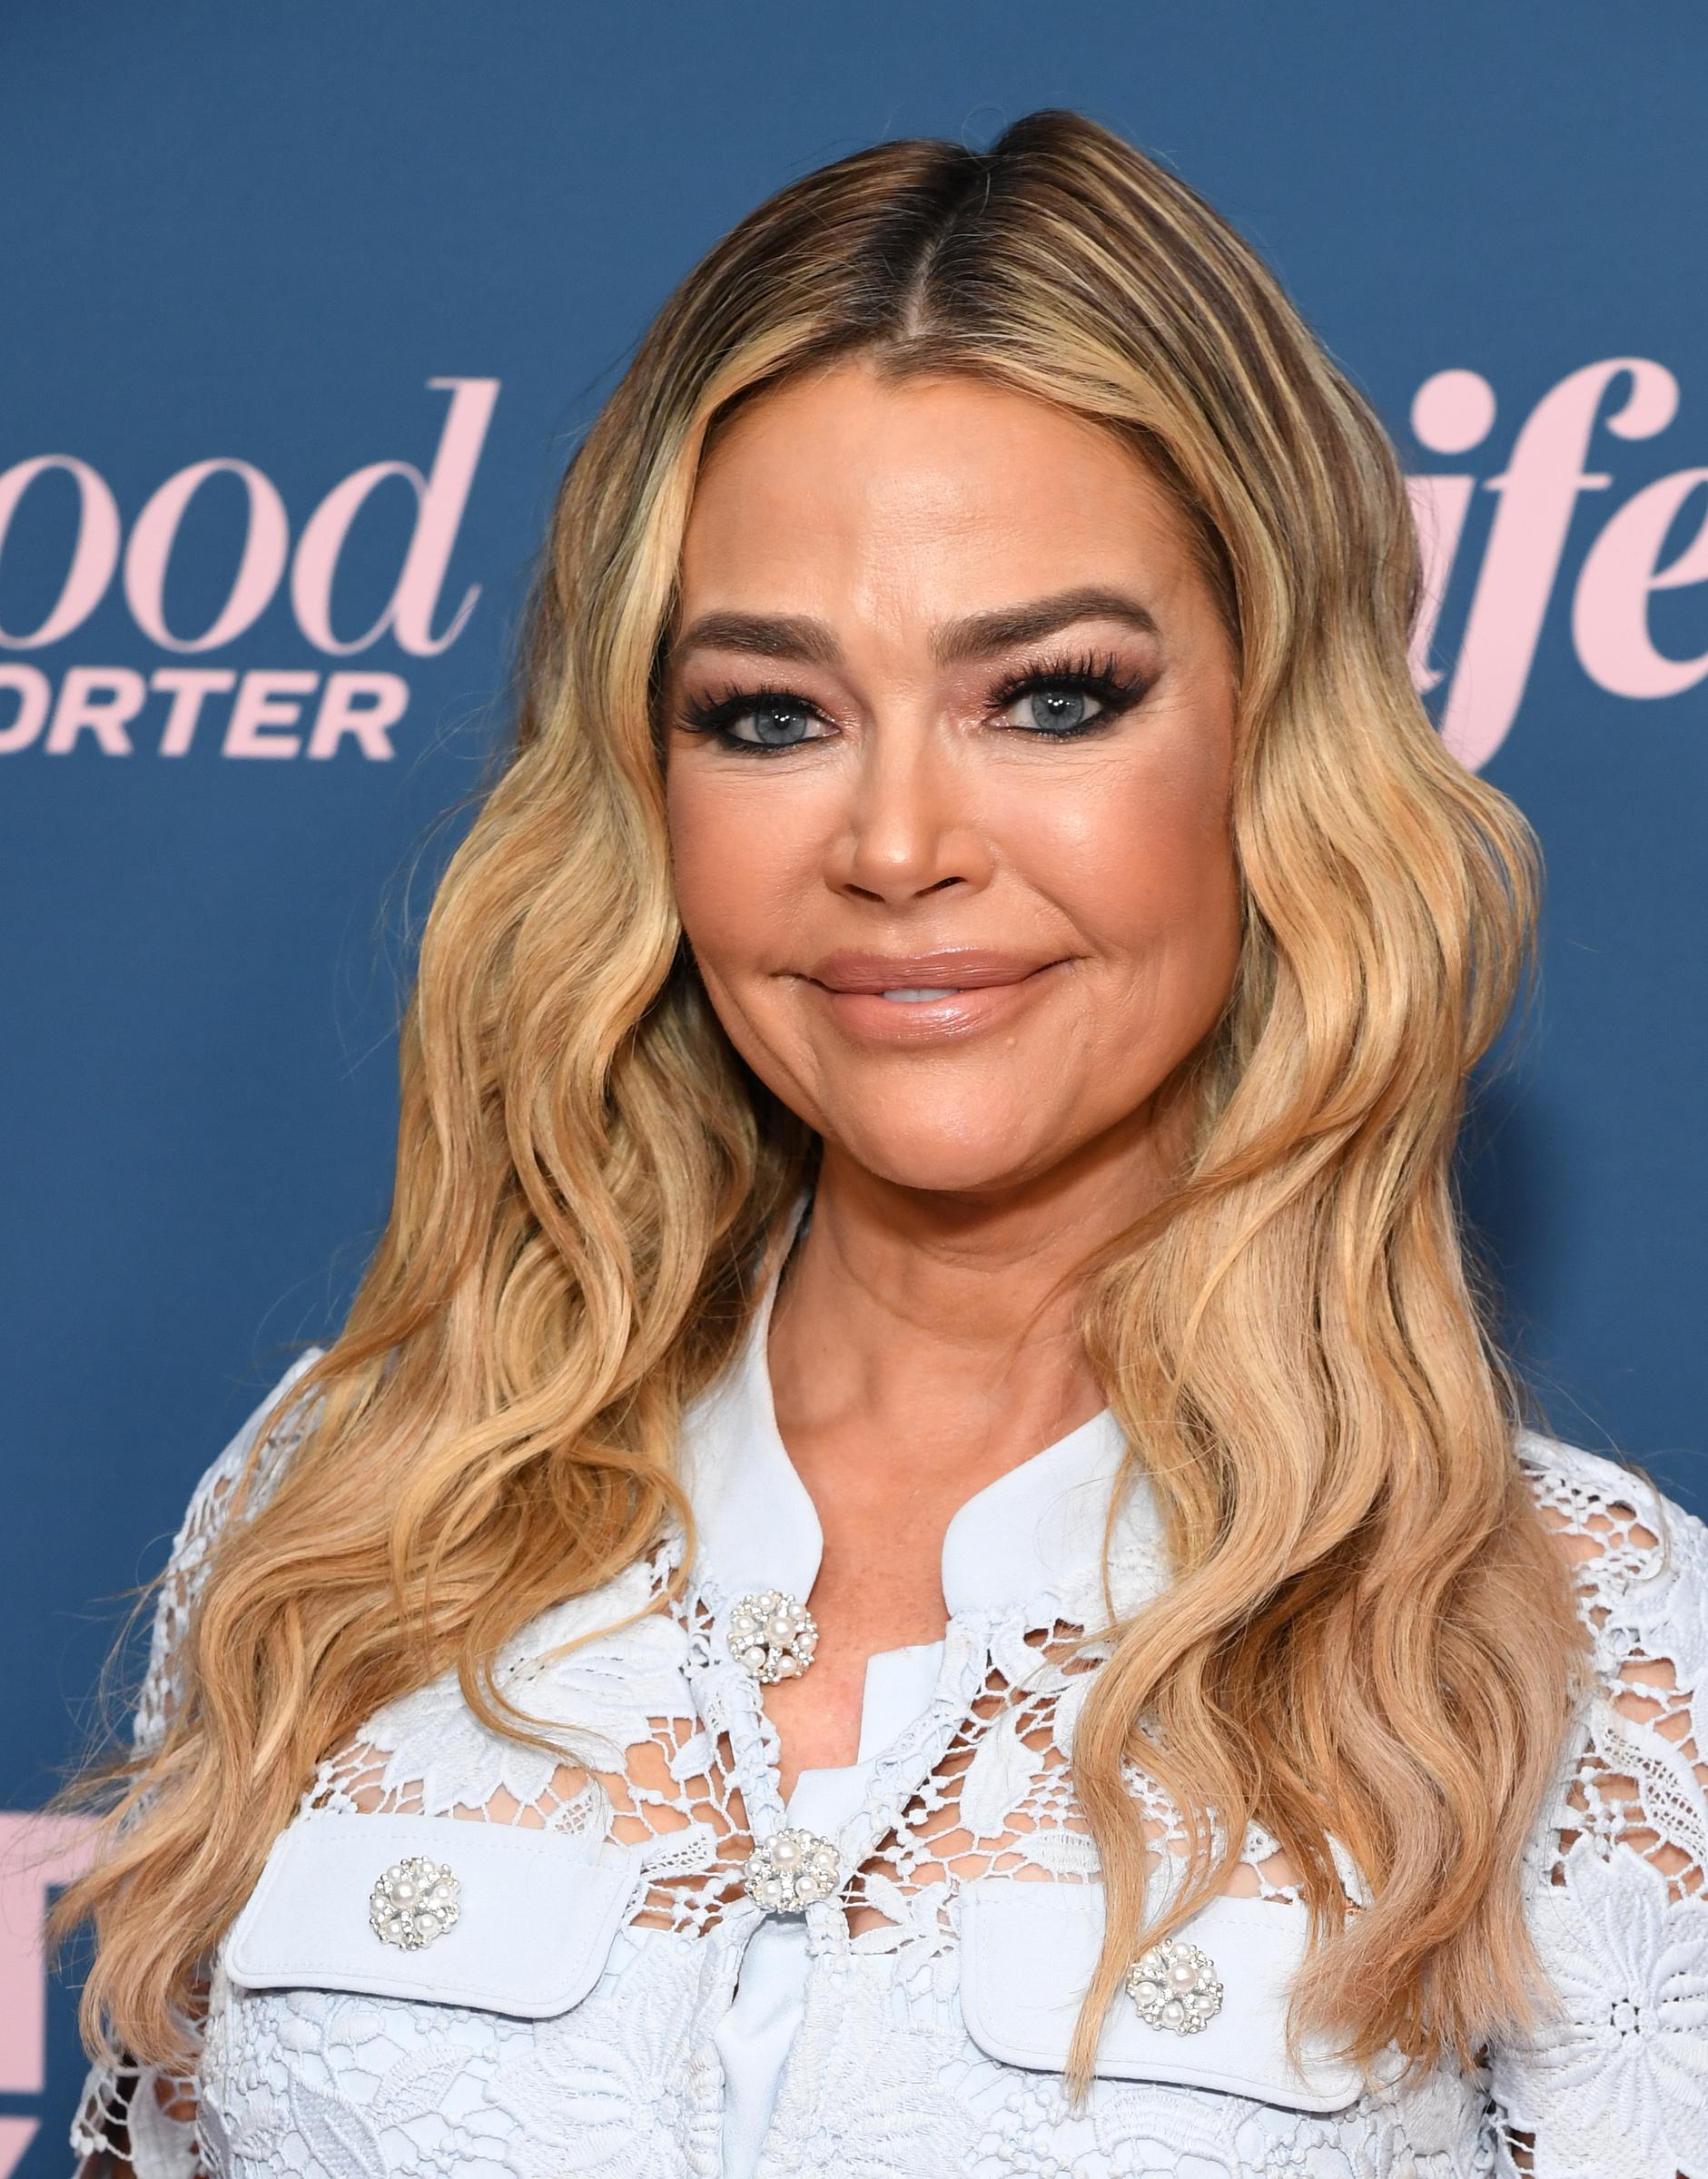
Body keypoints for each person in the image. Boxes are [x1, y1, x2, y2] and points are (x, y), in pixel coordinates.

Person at [51, 108, 1707, 2179]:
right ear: (646, 793)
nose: (898, 847)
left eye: (1050, 696)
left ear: (1274, 740)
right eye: (769, 714)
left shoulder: (1575, 1649)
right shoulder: (354, 1501)